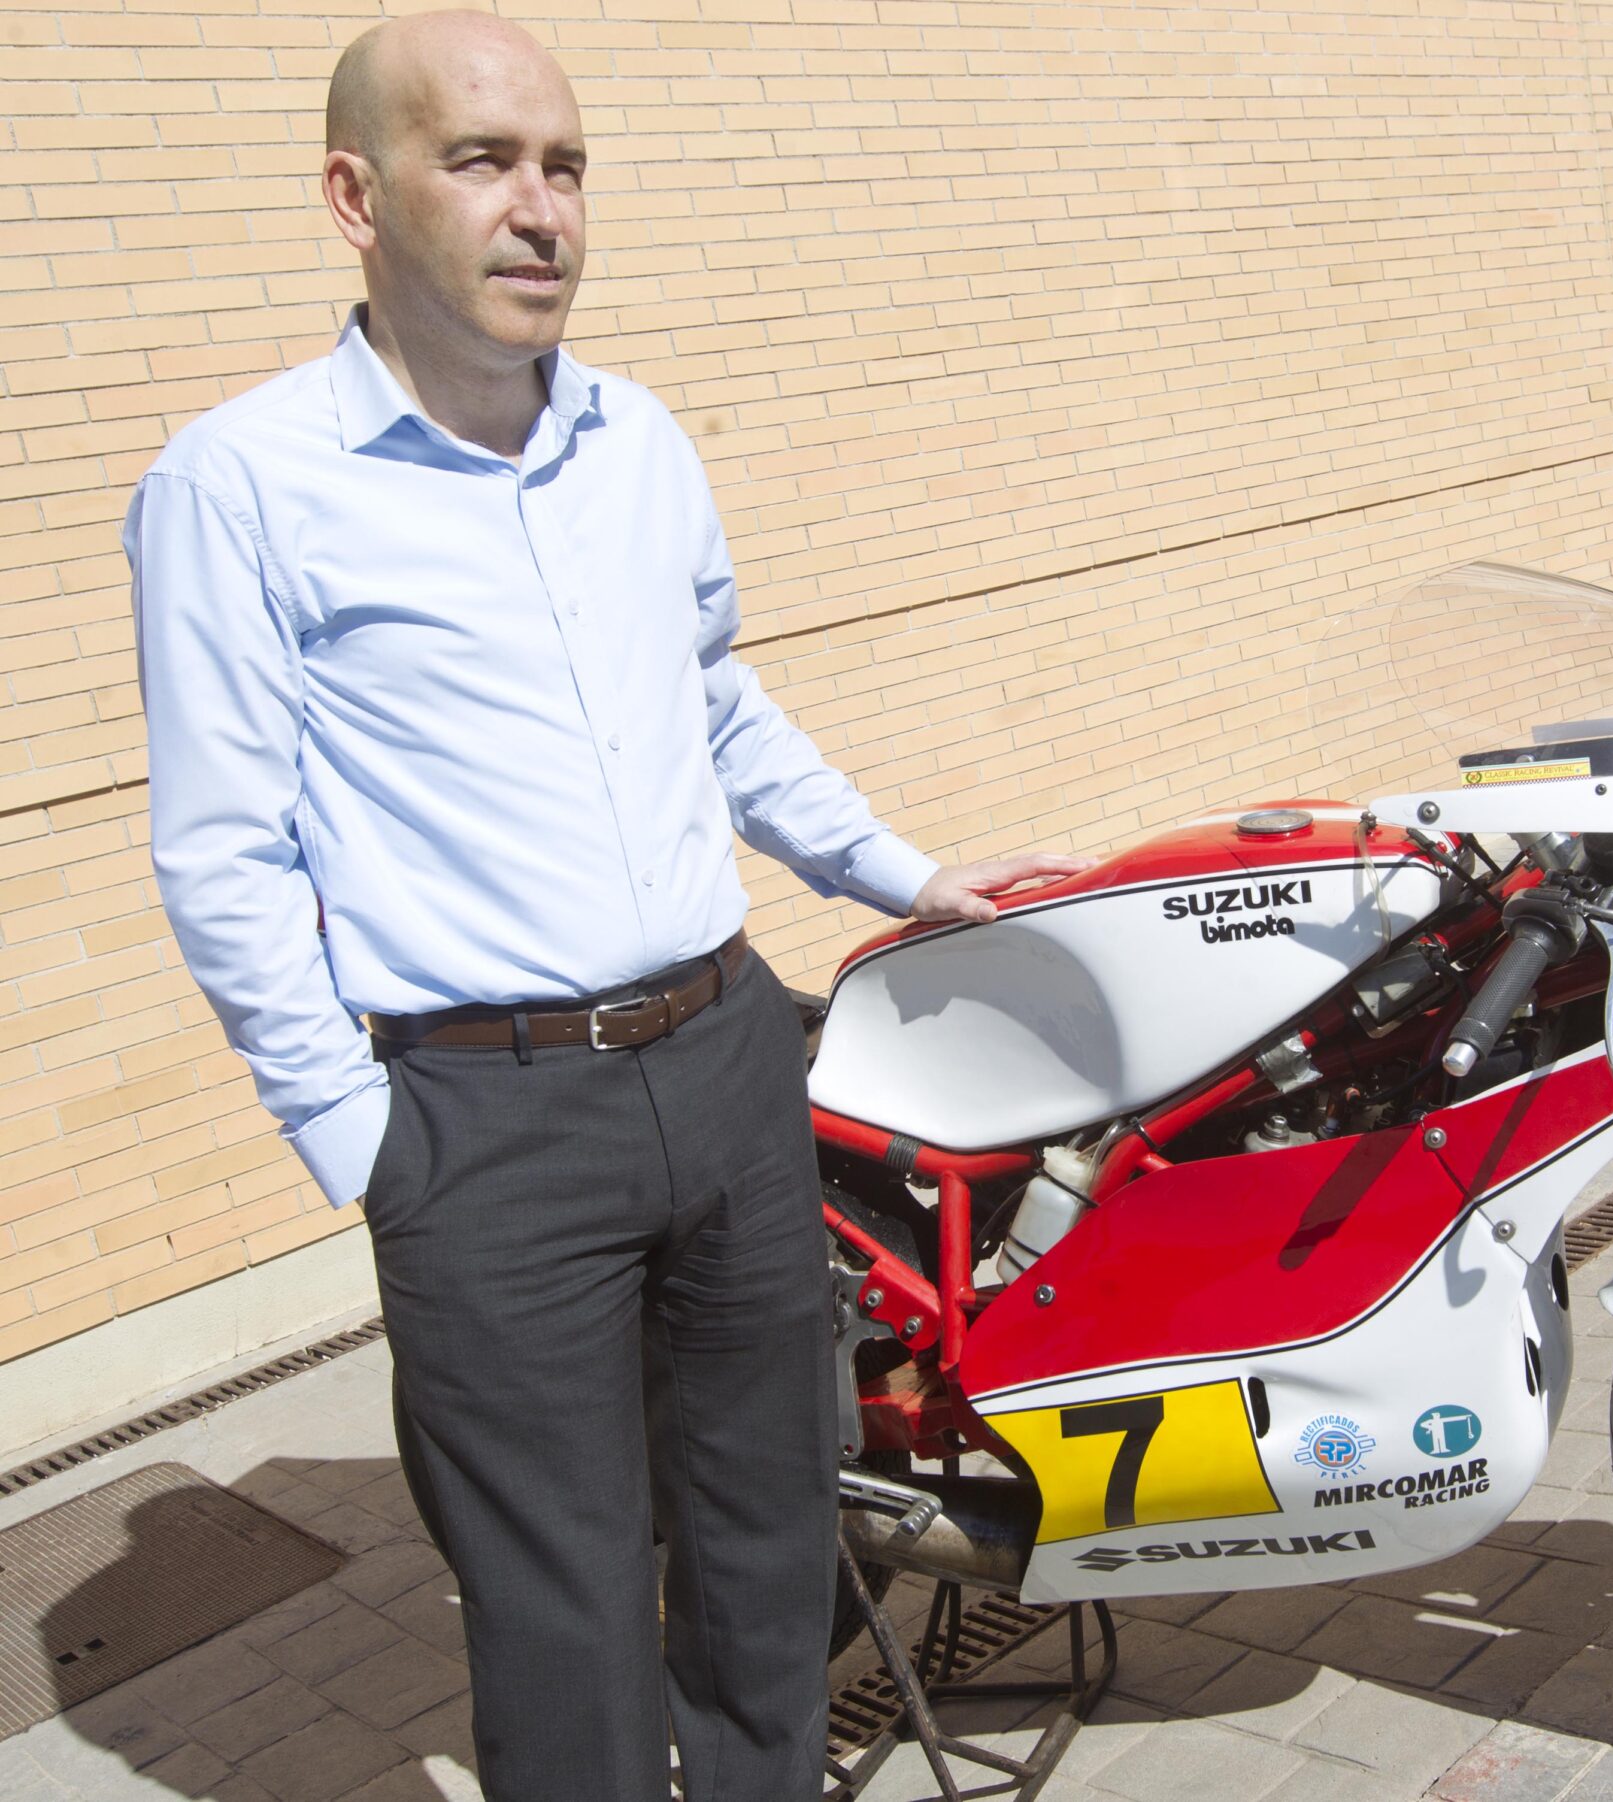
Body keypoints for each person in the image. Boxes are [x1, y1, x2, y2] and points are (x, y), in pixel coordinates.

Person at [122, 13, 1086, 1797]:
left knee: (770, 1543)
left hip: (725, 1063)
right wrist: (366, 1142)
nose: (540, 209)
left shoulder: (636, 442)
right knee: (561, 1619)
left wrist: (903, 870)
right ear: (356, 193)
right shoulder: (241, 487)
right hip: (484, 1123)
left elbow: (715, 701)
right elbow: (223, 851)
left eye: (563, 165)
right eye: (481, 160)